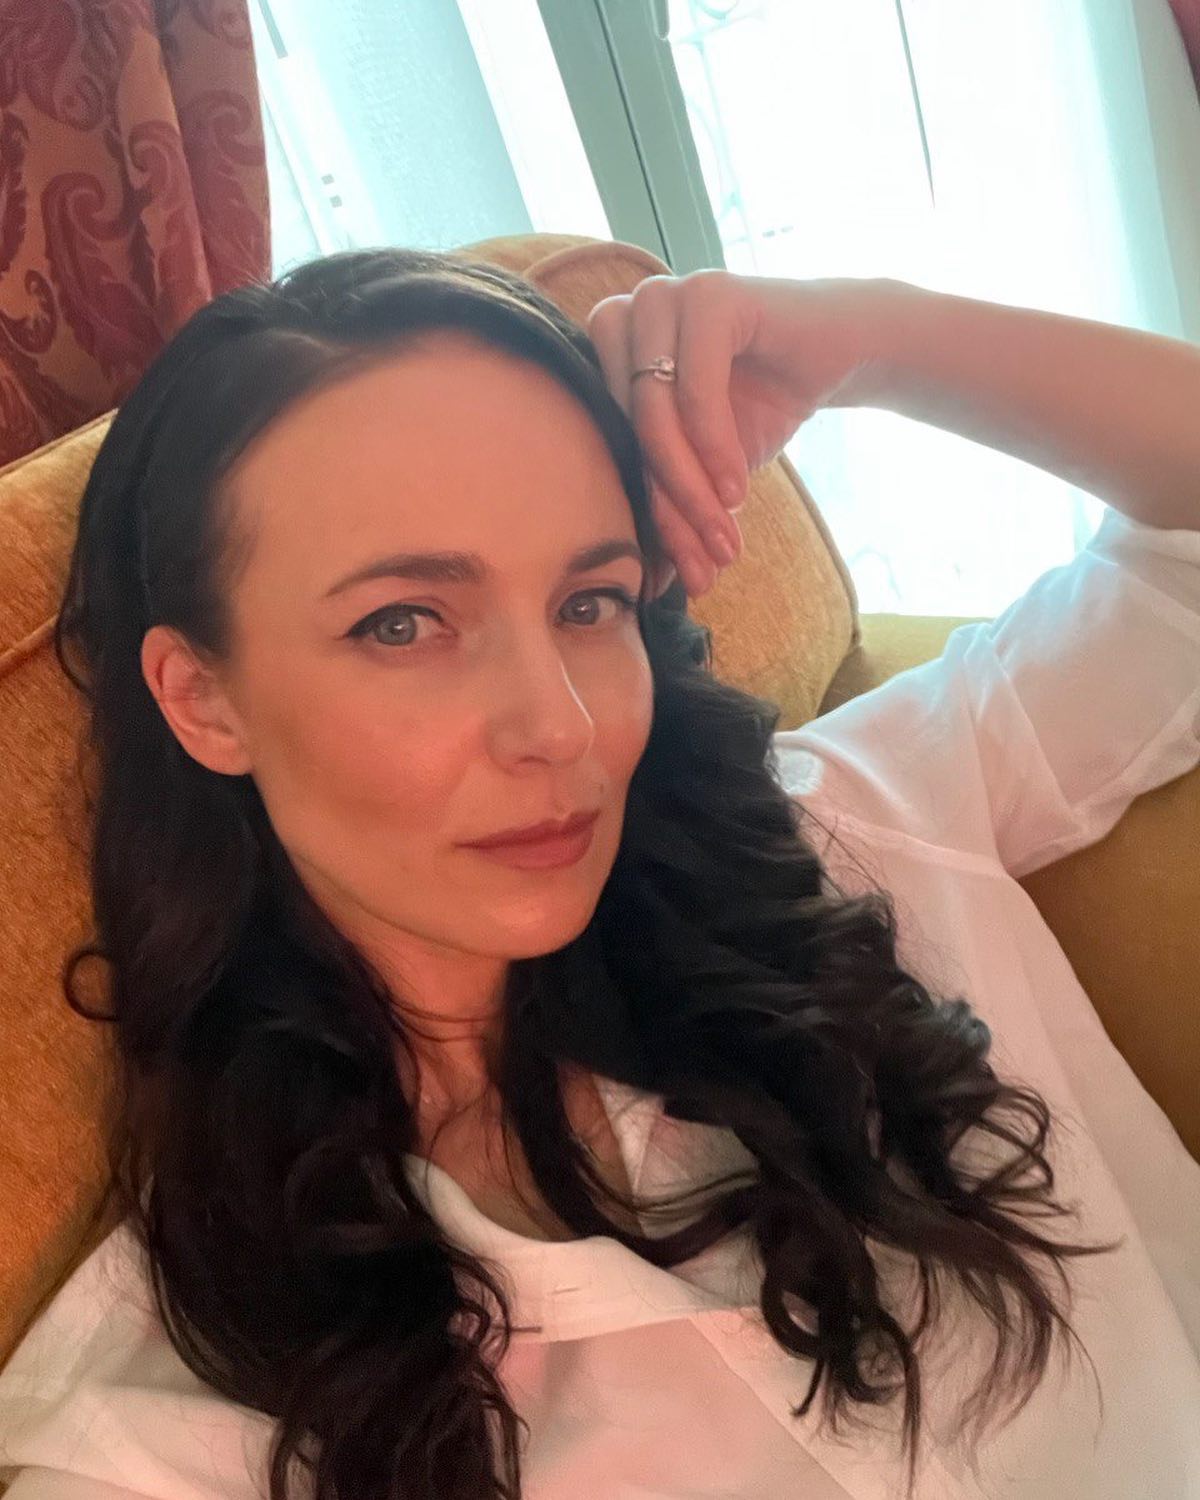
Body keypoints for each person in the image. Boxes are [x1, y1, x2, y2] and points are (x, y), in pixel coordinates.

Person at [0, 246, 1197, 1500]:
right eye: (404, 623)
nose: (560, 727)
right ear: (202, 698)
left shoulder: (852, 827)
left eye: (590, 601)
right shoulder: (165, 1436)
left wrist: (876, 336)